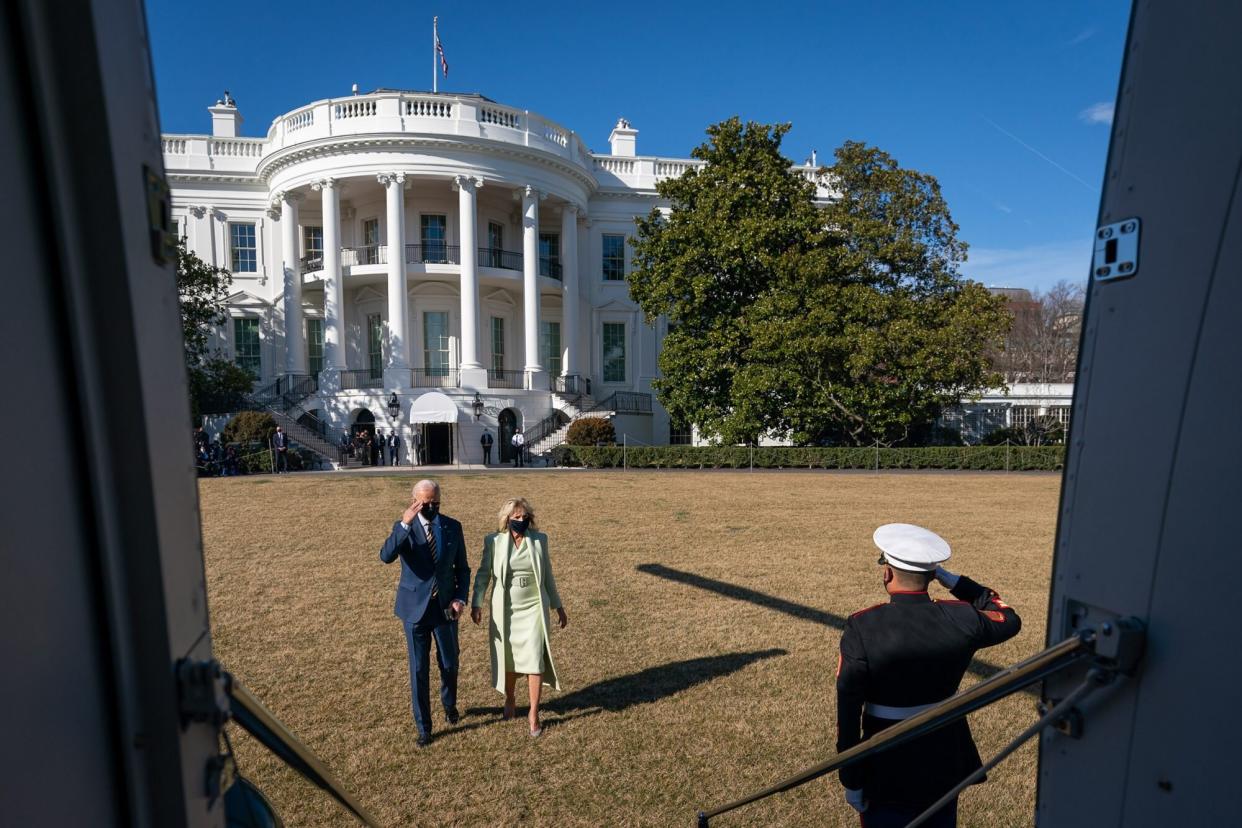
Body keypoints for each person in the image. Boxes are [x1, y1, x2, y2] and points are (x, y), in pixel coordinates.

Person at [836, 524, 1022, 827]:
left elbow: (848, 706)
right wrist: (956, 582)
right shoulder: (961, 617)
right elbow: (1008, 618)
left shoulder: (863, 625)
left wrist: (851, 777)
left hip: (885, 759)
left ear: (887, 573)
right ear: (933, 576)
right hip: (944, 752)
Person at [379, 479, 470, 748]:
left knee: (450, 663)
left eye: (435, 503)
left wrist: (459, 598)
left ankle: (449, 704)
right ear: (414, 500)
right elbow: (385, 556)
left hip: (444, 609)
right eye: (425, 503)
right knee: (419, 669)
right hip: (414, 610)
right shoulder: (403, 528)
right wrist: (405, 523)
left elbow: (462, 569)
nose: (430, 507)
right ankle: (424, 727)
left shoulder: (452, 527)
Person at [471, 497, 568, 737]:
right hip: (506, 610)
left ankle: (534, 712)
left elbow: (548, 576)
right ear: (507, 520)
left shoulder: (539, 540)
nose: (521, 521)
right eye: (516, 518)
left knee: (535, 659)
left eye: (525, 517)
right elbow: (484, 574)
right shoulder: (494, 541)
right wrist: (476, 602)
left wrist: (558, 606)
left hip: (534, 608)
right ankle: (511, 698)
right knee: (510, 659)